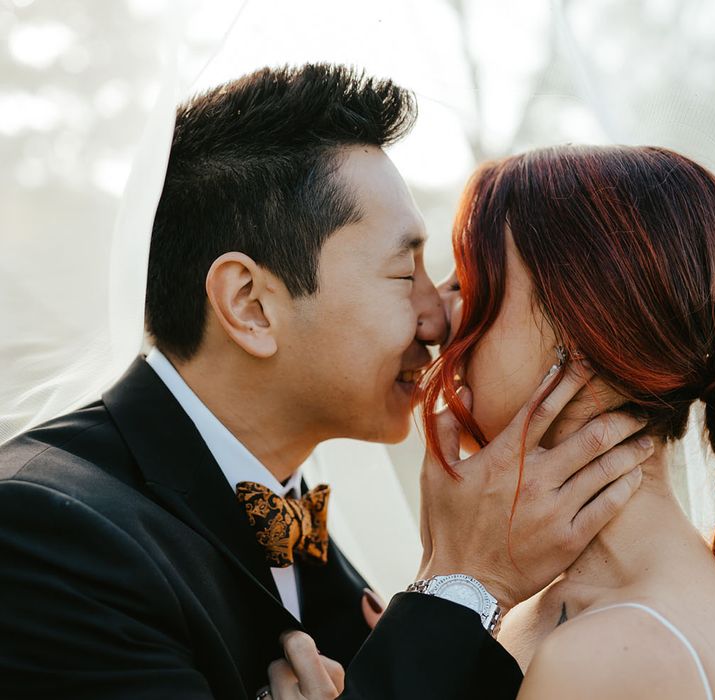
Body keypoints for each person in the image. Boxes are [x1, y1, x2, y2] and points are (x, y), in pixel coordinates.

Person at [0, 65, 650, 699]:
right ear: (251, 305)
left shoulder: (284, 511)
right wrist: (467, 581)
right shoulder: (42, 537)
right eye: (406, 272)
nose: (437, 315)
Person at [425, 144, 715, 699]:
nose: (439, 311)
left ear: (582, 331)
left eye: (471, 281)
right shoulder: (555, 608)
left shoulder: (613, 650)